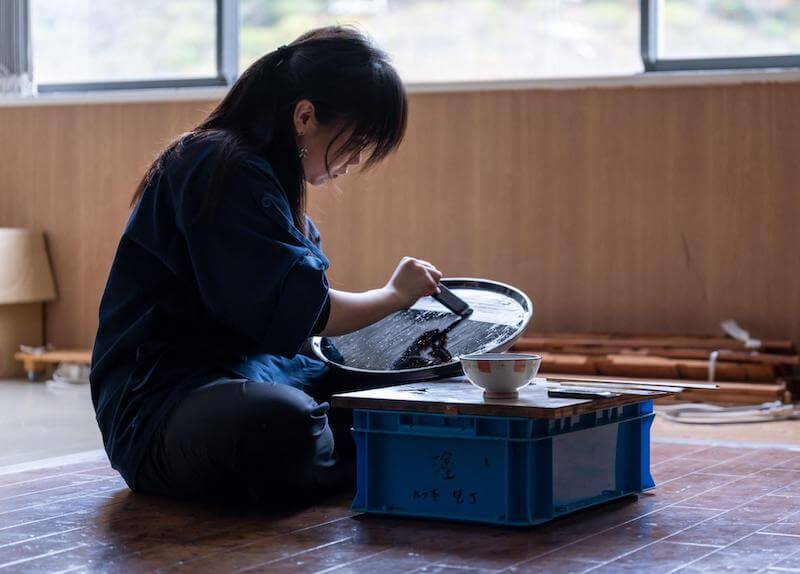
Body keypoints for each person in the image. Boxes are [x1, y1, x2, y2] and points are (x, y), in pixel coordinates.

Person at [90, 26, 443, 505]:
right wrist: (395, 296)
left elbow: (303, 332)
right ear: (305, 115)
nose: (355, 160)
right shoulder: (216, 164)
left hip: (266, 374)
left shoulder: (269, 182)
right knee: (282, 425)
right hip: (163, 406)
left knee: (426, 372)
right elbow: (309, 313)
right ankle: (379, 452)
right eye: (356, 142)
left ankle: (362, 448)